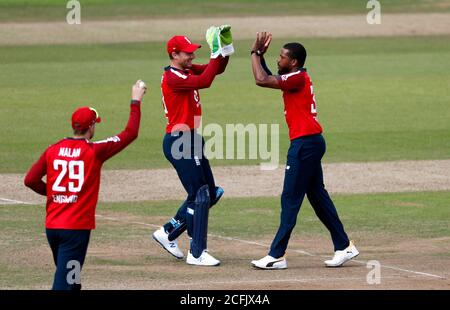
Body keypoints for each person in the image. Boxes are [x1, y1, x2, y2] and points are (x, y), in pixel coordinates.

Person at [249, 32, 359, 269]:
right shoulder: (294, 76)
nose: (278, 60)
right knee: (318, 197)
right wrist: (260, 55)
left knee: (290, 198)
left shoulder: (297, 78)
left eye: (282, 57)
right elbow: (268, 75)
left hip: (304, 145)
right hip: (310, 142)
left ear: (294, 62)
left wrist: (254, 53)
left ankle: (276, 255)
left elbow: (260, 79)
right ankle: (343, 246)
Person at [24, 80, 147, 289]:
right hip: (76, 229)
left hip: (53, 227)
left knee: (72, 277)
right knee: (65, 283)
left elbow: (30, 180)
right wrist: (136, 100)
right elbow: (130, 133)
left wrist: (54, 193)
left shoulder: (52, 149)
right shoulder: (94, 151)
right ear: (91, 126)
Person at [152, 34, 230, 266]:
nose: (193, 55)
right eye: (187, 53)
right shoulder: (173, 76)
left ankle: (167, 232)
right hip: (180, 140)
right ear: (174, 55)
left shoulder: (185, 70)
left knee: (210, 193)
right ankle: (197, 252)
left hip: (191, 138)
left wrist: (224, 49)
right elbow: (205, 80)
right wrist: (216, 53)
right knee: (200, 195)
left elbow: (215, 70)